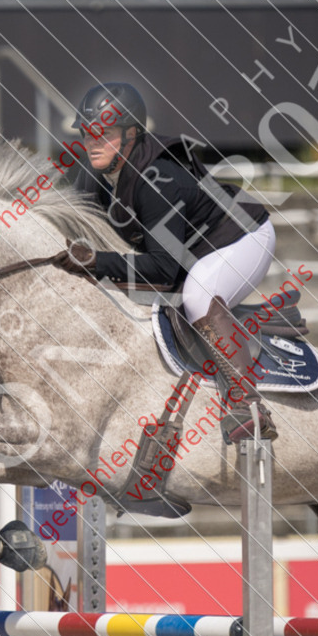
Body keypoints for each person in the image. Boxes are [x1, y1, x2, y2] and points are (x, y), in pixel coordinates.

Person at [63, 81, 277, 444]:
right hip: (192, 250)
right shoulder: (95, 175)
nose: (92, 141)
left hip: (242, 237)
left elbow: (164, 270)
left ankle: (248, 403)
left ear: (131, 134)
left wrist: (97, 261)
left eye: (103, 132)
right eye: (86, 133)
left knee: (197, 296)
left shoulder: (155, 180)